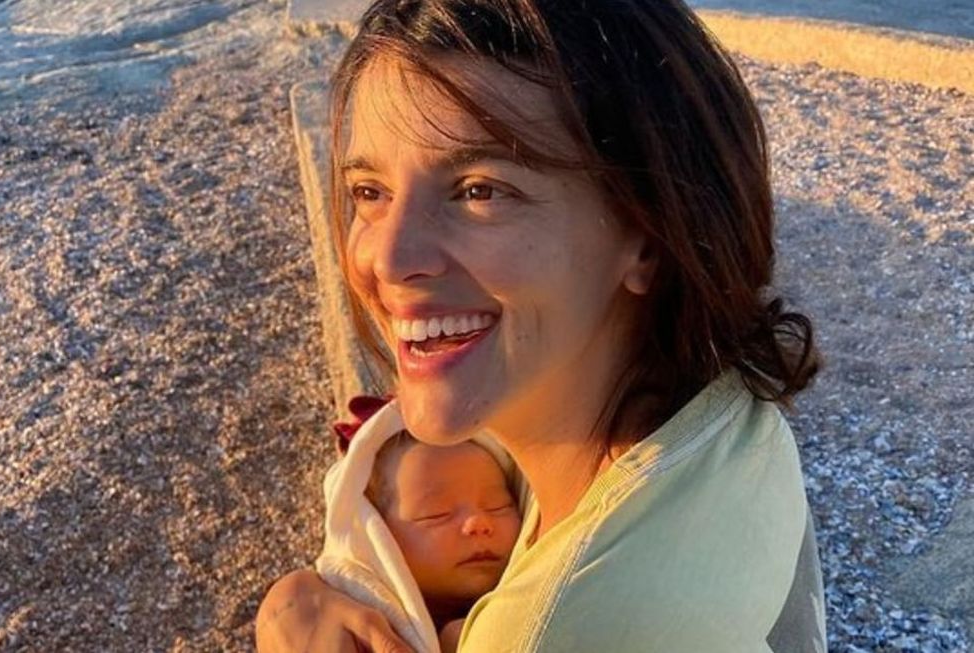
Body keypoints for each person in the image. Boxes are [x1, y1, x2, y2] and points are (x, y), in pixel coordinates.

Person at [256, 0, 826, 651]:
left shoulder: (549, 631)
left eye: (479, 190)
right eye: (369, 191)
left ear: (649, 235)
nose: (389, 257)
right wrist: (297, 595)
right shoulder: (723, 411)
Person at [317, 396, 522, 653]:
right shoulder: (350, 635)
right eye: (437, 514)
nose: (478, 523)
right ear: (377, 537)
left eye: (498, 505)